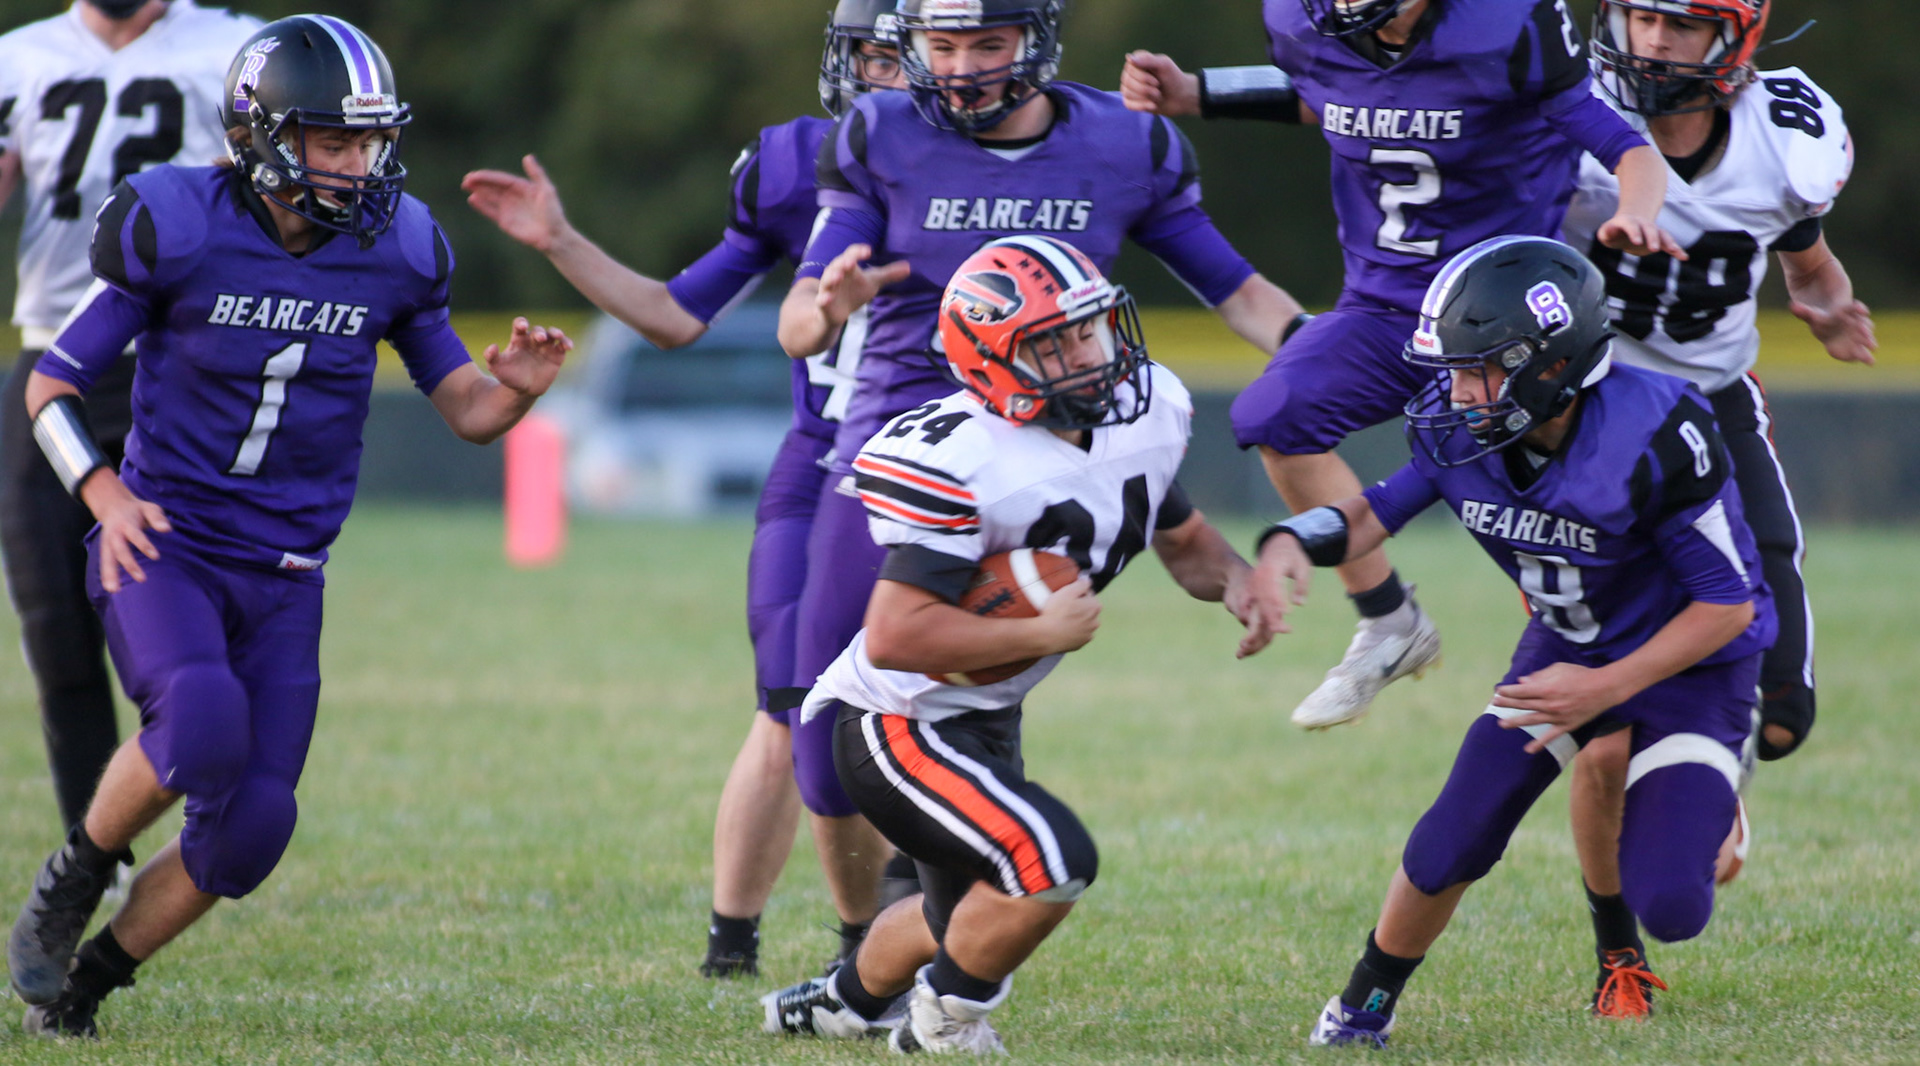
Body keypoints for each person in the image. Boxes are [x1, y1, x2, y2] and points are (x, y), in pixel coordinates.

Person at [5, 15, 573, 1037]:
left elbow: (471, 414)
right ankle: (73, 873)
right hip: (167, 542)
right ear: (264, 134)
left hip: (289, 571)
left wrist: (516, 392)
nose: (360, 164)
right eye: (334, 142)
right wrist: (105, 494)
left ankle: (86, 985)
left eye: (368, 141)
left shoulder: (395, 249)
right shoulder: (177, 220)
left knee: (254, 831)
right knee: (201, 721)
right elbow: (51, 383)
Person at [773, 0, 1305, 962]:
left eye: (988, 42)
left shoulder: (1120, 142)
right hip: (903, 451)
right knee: (828, 756)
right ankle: (871, 943)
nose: (965, 65)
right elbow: (798, 325)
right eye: (942, 44)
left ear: (1037, 42)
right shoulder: (882, 131)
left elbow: (1243, 296)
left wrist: (1343, 366)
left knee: (966, 707)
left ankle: (890, 953)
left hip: (1062, 435)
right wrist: (827, 305)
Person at [461, 0, 910, 980]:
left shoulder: (1016, 168)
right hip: (827, 461)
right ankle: (763, 943)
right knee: (793, 702)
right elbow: (674, 314)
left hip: (951, 473)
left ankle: (907, 914)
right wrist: (560, 243)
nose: (895, 80)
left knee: (932, 701)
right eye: (876, 58)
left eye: (914, 59)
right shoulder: (801, 165)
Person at [1251, 235, 1775, 1047]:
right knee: (1454, 833)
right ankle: (1360, 1010)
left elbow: (1726, 606)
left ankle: (1711, 799)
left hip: (1691, 666)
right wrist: (1293, 538)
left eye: (1478, 369)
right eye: (1454, 369)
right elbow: (1378, 508)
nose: (1457, 392)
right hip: (1565, 648)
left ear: (1552, 365)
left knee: (1674, 904)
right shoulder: (1465, 430)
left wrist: (1603, 693)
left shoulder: (1656, 430)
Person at [761, 234, 1277, 1052]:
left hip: (985, 714)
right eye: (1053, 343)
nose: (1088, 355)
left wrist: (1240, 580)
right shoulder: (969, 457)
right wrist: (1041, 629)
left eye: (1090, 329)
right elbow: (895, 634)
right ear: (994, 363)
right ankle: (943, 1021)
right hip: (900, 722)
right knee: (1050, 863)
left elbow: (1179, 536)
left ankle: (843, 1003)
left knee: (954, 914)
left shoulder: (1141, 415)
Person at [1119, 0, 1684, 730]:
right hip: (1383, 308)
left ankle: (1654, 663)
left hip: (1503, 318)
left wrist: (1638, 211)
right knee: (1274, 414)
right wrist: (1196, 93)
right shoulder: (1302, 22)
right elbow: (1333, 97)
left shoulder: (1506, 26)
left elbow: (1624, 146)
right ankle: (1389, 621)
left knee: (1556, 529)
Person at [1554, 0, 1870, 1016]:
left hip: (1715, 406)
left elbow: (1803, 245)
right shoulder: (1573, 111)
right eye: (1640, 15)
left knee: (1786, 711)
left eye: (1681, 24)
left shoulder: (1784, 141)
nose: (1652, 41)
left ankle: (1709, 773)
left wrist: (1824, 297)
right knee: (1602, 714)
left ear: (1733, 40)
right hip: (1588, 424)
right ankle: (1623, 927)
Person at [0, 0, 261, 841]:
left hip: (183, 365)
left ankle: (216, 815)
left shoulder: (232, 48)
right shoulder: (18, 59)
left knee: (209, 621)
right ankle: (94, 855)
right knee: (57, 635)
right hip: (53, 362)